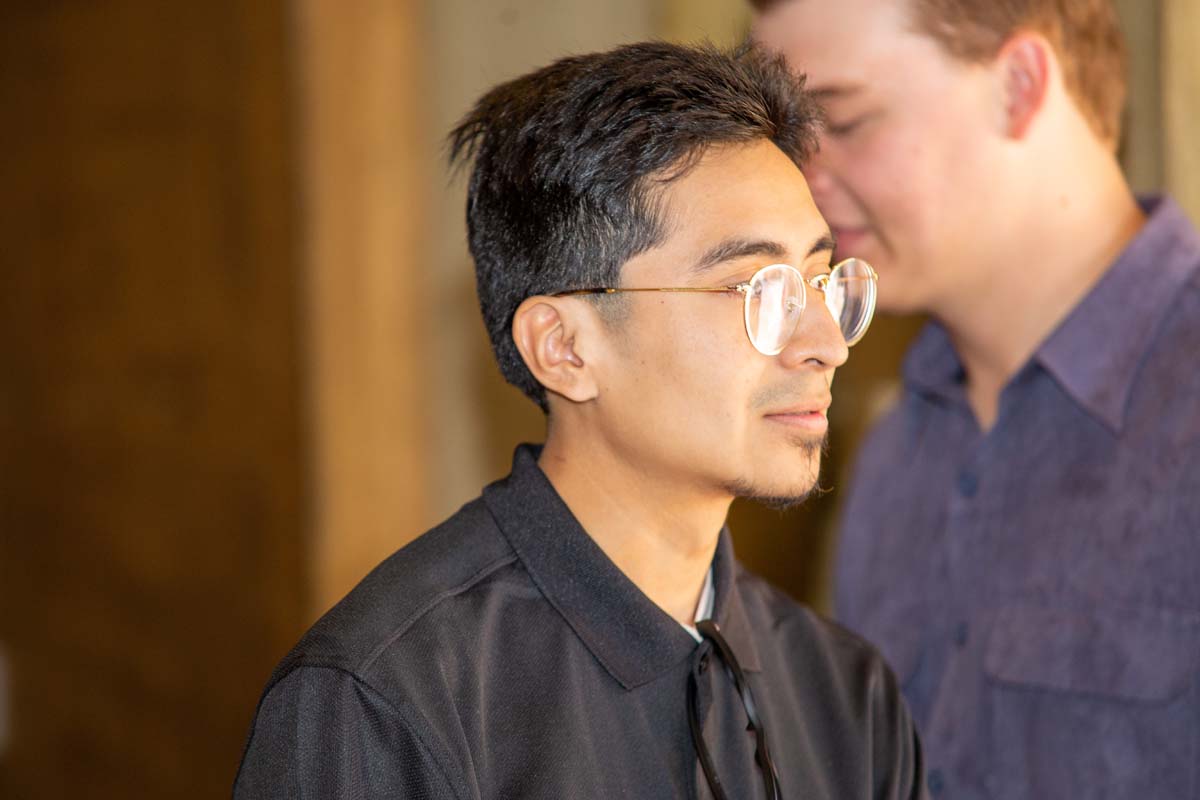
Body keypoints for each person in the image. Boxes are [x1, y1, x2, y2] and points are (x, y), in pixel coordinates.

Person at [232, 42, 925, 799]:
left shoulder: (846, 696)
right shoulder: (385, 701)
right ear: (563, 347)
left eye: (821, 281)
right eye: (751, 288)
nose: (825, 343)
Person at [752, 1, 1200, 797]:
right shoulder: (891, 450)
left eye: (845, 123)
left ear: (1020, 85)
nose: (803, 183)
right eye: (791, 143)